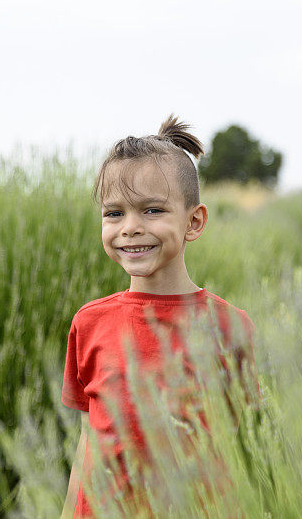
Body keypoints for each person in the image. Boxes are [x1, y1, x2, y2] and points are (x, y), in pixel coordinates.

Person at [60, 114, 262, 518]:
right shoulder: (90, 323)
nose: (130, 228)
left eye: (152, 211)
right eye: (113, 213)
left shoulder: (230, 328)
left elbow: (245, 449)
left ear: (193, 221)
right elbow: (89, 440)